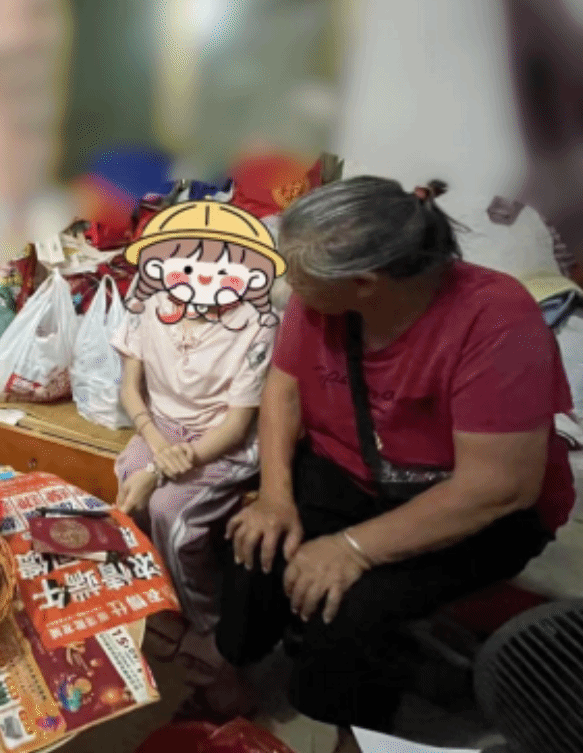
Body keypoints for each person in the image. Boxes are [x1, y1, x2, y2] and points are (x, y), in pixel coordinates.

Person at [217, 176, 575, 750]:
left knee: (354, 606)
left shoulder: (498, 322)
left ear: (364, 283)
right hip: (353, 471)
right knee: (253, 542)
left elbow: (498, 487)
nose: (288, 283)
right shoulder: (321, 301)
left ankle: (351, 728)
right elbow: (283, 390)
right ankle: (233, 669)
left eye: (298, 274)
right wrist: (275, 497)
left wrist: (353, 548)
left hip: (474, 504)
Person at [112, 201, 283, 687]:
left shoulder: (258, 324)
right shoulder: (146, 301)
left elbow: (236, 426)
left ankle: (205, 623)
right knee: (128, 487)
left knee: (173, 517)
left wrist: (161, 470)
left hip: (221, 441)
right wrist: (155, 446)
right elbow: (130, 390)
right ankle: (160, 601)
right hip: (160, 427)